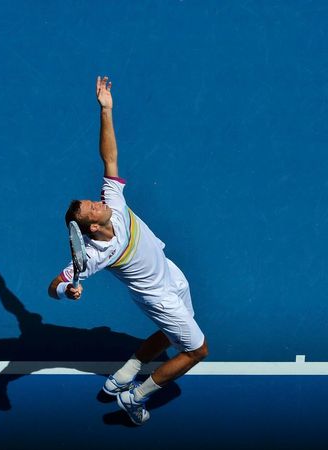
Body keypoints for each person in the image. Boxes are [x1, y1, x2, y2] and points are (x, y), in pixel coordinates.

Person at [48, 76, 208, 426]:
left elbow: (109, 157)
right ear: (92, 226)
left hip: (170, 273)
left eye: (92, 201)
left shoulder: (113, 203)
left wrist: (106, 111)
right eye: (91, 207)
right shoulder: (91, 255)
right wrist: (68, 291)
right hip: (157, 296)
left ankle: (124, 375)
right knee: (197, 350)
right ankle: (135, 396)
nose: (96, 201)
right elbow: (55, 286)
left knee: (174, 332)